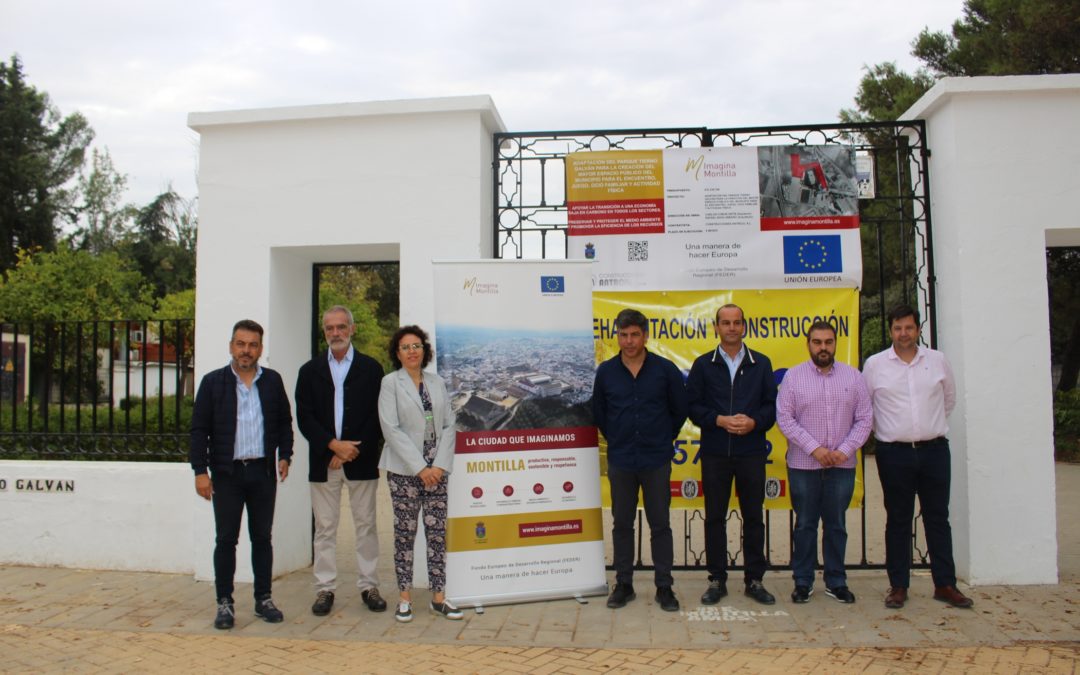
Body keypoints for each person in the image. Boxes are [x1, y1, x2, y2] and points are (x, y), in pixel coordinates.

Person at [863, 305, 974, 609]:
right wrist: (890, 432)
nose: (903, 334)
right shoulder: (875, 365)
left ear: (918, 329)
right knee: (898, 519)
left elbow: (948, 399)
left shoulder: (937, 361)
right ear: (890, 331)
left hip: (934, 450)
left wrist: (927, 427)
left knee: (938, 517)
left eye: (909, 328)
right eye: (898, 328)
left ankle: (945, 584)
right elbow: (866, 407)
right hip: (894, 453)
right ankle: (898, 585)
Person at [190, 319, 293, 630]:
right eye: (240, 344)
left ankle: (263, 598)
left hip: (262, 472)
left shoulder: (272, 381)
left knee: (262, 538)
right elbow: (199, 430)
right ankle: (225, 603)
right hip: (227, 473)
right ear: (231, 346)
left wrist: (285, 455)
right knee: (226, 540)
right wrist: (200, 471)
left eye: (252, 345)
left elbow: (285, 422)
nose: (246, 350)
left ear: (260, 348)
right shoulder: (212, 383)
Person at [592, 309, 688, 612]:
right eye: (623, 335)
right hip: (621, 459)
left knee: (660, 524)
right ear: (617, 336)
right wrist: (619, 437)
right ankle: (624, 584)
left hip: (656, 458)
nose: (629, 341)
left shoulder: (665, 370)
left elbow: (679, 410)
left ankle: (664, 587)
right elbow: (600, 414)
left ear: (645, 335)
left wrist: (662, 437)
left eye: (635, 334)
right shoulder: (606, 372)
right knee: (622, 523)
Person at [295, 306, 386, 617]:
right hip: (324, 463)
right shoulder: (309, 371)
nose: (335, 332)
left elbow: (378, 416)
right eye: (330, 328)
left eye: (341, 327)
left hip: (361, 461)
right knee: (324, 528)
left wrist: (350, 450)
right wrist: (332, 446)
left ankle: (369, 585)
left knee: (366, 527)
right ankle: (324, 589)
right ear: (324, 331)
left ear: (353, 328)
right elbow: (304, 416)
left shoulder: (372, 369)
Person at [686, 303, 778, 606]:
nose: (731, 328)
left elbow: (771, 406)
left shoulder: (761, 363)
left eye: (737, 322)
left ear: (744, 326)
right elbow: (693, 406)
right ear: (716, 327)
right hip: (714, 453)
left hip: (751, 451)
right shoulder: (703, 365)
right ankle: (716, 578)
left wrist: (754, 422)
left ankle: (754, 579)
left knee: (753, 517)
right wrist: (717, 420)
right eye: (725, 323)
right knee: (714, 517)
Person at [777, 320, 872, 604]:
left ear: (835, 344)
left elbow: (865, 419)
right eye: (817, 342)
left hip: (841, 466)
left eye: (828, 342)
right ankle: (803, 581)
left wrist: (843, 450)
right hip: (804, 465)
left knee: (836, 525)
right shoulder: (794, 378)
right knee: (805, 524)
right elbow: (785, 418)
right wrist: (815, 449)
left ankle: (836, 580)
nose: (823, 348)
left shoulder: (853, 377)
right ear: (808, 344)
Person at [377, 325, 462, 622]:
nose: (412, 351)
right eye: (405, 347)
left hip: (437, 470)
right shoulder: (390, 383)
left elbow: (450, 425)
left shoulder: (437, 383)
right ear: (397, 353)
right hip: (404, 470)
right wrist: (420, 468)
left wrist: (437, 466)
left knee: (437, 534)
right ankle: (404, 597)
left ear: (424, 350)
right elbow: (391, 429)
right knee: (405, 533)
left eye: (417, 346)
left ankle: (439, 597)